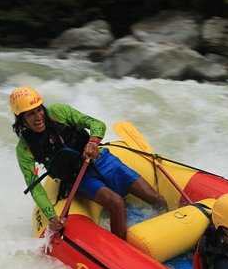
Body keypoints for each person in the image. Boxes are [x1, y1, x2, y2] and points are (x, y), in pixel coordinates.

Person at [9, 86, 167, 239]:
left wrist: (92, 142)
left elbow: (97, 124)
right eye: (31, 114)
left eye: (39, 110)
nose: (38, 117)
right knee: (116, 202)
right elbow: (35, 188)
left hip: (101, 159)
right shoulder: (24, 149)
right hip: (79, 177)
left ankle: (165, 234)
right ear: (21, 119)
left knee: (157, 200)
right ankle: (125, 252)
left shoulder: (59, 112)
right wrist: (52, 216)